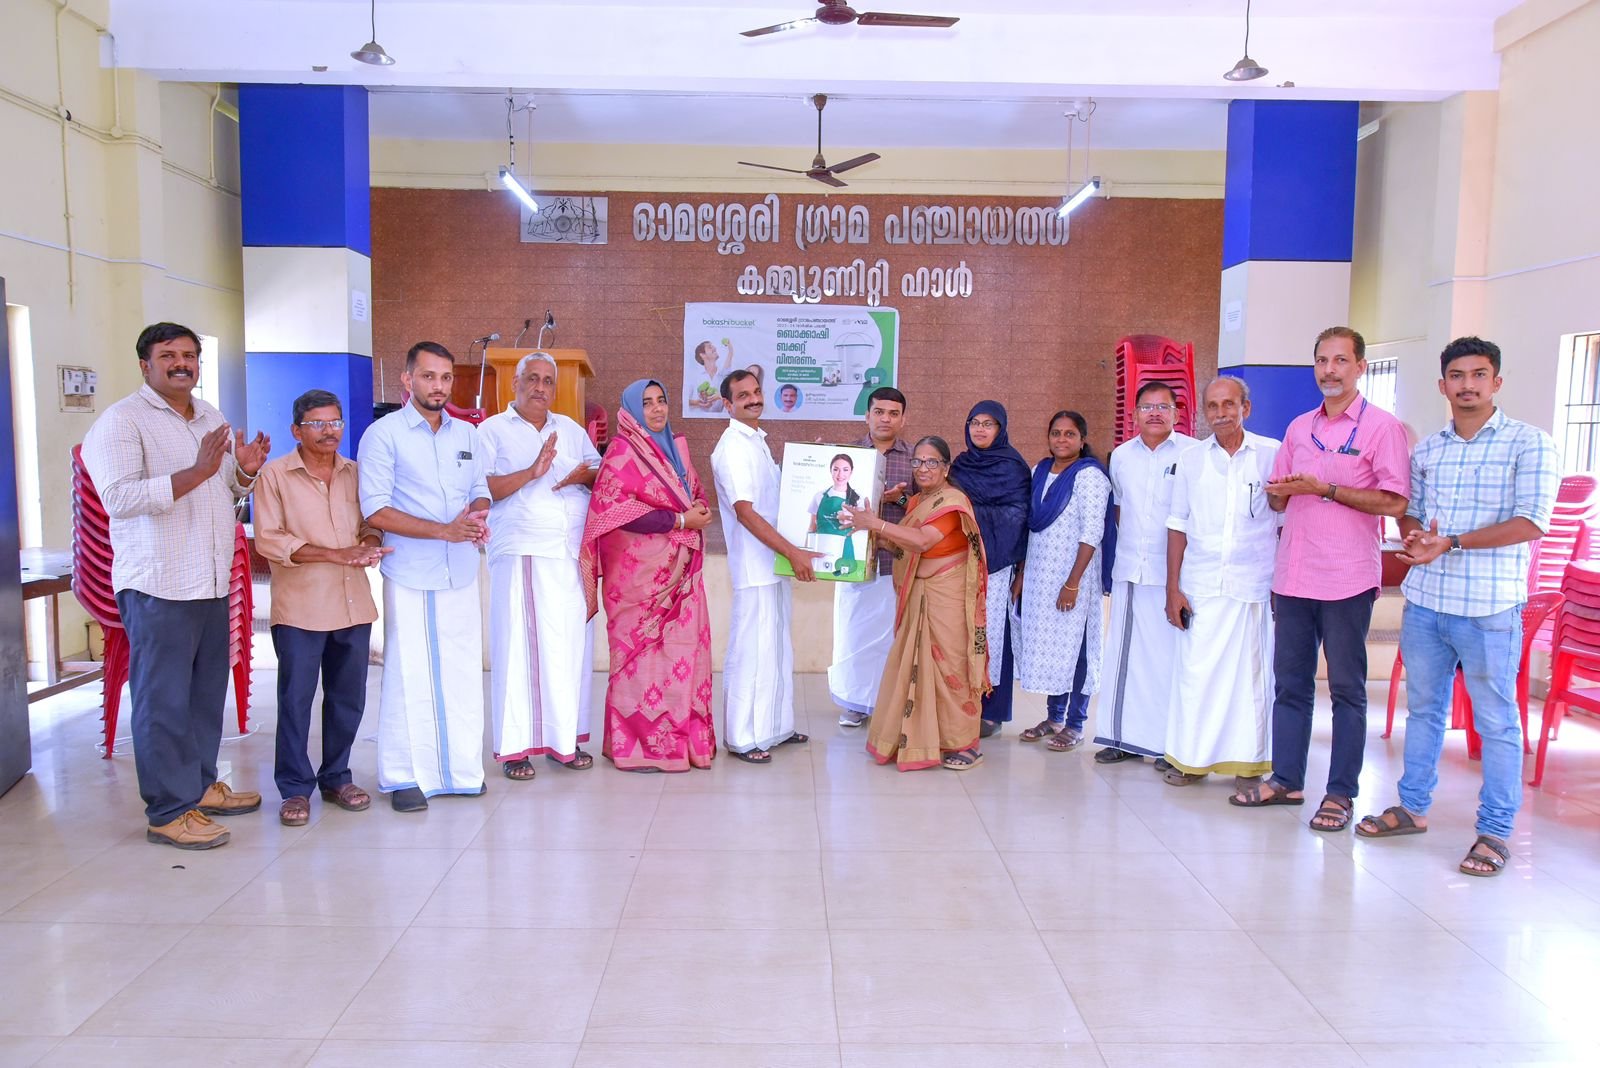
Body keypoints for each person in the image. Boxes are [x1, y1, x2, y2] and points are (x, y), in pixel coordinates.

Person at [1356, 336, 1558, 878]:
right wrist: (1417, 535)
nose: (1467, 385)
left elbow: (1532, 521)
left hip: (1489, 608)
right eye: (1457, 376)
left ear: (1497, 381)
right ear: (1442, 384)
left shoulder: (1529, 443)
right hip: (1427, 605)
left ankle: (1494, 832)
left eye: (1479, 374)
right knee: (1423, 712)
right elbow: (1411, 514)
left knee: (1497, 721)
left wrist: (1455, 542)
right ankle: (1413, 808)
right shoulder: (1429, 450)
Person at [81, 322, 269, 849]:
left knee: (205, 693)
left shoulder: (209, 416)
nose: (182, 363)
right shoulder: (121, 423)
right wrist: (196, 470)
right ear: (146, 364)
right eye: (169, 355)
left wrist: (246, 472)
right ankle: (167, 810)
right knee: (162, 700)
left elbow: (226, 485)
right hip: (159, 583)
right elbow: (118, 498)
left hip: (209, 579)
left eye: (190, 355)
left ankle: (200, 787)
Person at [1235, 327, 1410, 831]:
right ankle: (1287, 779)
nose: (1329, 371)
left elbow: (1396, 502)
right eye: (1321, 361)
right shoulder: (1298, 428)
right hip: (1293, 574)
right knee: (1290, 684)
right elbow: (1278, 499)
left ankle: (1340, 794)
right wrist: (1280, 491)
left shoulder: (1382, 429)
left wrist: (1327, 489)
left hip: (1347, 579)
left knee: (1349, 690)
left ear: (1360, 367)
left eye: (1340, 361)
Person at [358, 341, 491, 812]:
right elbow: (375, 508)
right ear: (407, 379)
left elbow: (479, 490)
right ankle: (403, 777)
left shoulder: (467, 435)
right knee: (407, 672)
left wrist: (477, 516)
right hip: (411, 571)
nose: (439, 386)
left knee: (460, 672)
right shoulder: (383, 434)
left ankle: (460, 770)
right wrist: (443, 530)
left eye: (446, 378)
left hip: (460, 569)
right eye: (429, 376)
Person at [252, 389, 389, 827]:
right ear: (296, 430)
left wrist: (366, 546)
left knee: (347, 699)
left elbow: (370, 524)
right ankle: (294, 788)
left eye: (335, 422)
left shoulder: (355, 473)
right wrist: (337, 554)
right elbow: (269, 541)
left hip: (353, 604)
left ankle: (336, 776)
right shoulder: (274, 476)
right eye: (317, 423)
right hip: (301, 608)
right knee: (295, 700)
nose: (329, 431)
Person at [580, 379, 717, 772]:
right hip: (639, 579)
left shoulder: (677, 448)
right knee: (638, 661)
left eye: (662, 400)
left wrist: (699, 512)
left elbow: (694, 491)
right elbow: (613, 510)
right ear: (630, 411)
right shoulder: (621, 453)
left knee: (680, 656)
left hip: (681, 573)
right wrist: (679, 520)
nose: (657, 409)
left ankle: (681, 743)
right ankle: (635, 745)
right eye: (647, 403)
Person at [479, 351, 603, 780]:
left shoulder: (568, 428)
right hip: (523, 550)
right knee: (519, 651)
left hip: (568, 550)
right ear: (514, 383)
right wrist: (533, 471)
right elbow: (483, 490)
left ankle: (563, 742)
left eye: (547, 381)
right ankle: (515, 748)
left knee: (567, 649)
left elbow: (598, 471)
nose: (539, 388)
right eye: (531, 379)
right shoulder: (491, 431)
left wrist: (577, 476)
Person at [841, 436, 988, 770]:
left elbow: (922, 541)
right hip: (918, 597)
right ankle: (925, 741)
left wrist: (876, 524)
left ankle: (966, 744)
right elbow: (903, 548)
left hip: (947, 600)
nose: (923, 468)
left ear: (946, 467)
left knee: (950, 669)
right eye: (918, 462)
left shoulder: (951, 502)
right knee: (915, 670)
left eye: (932, 462)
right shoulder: (917, 502)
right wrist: (870, 534)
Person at [1165, 377, 1281, 788]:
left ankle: (1248, 764)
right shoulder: (1193, 459)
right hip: (1200, 585)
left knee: (1250, 681)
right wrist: (1172, 589)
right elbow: (1177, 526)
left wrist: (1282, 589)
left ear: (1245, 408)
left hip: (1253, 584)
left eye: (1228, 404)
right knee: (1196, 675)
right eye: (1212, 406)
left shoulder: (1271, 455)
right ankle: (1191, 761)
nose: (1220, 413)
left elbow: (1285, 525)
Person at [710, 369, 815, 763]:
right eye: (743, 395)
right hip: (756, 566)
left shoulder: (757, 442)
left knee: (776, 648)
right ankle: (742, 736)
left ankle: (774, 727)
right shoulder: (733, 448)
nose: (753, 399)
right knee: (751, 651)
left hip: (774, 564)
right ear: (727, 404)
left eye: (756, 392)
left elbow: (779, 495)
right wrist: (791, 551)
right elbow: (746, 513)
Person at [1092, 381, 1198, 765]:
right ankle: (1124, 739)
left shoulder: (1193, 454)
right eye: (1147, 407)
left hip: (1175, 575)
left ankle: (1169, 746)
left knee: (1169, 664)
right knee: (1126, 659)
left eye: (1163, 407)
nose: (1155, 413)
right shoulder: (1121, 456)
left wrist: (1178, 579)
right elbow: (1119, 510)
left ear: (1176, 413)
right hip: (1131, 572)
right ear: (1134, 414)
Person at [1015, 411, 1114, 753]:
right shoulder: (1039, 471)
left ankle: (1076, 723)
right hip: (1041, 575)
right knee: (1056, 649)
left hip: (1076, 576)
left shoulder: (1090, 477)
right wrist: (1023, 575)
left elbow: (1092, 532)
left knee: (1080, 649)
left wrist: (1073, 582)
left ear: (1082, 440)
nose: (1061, 440)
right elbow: (1031, 526)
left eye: (1069, 434)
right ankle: (1054, 717)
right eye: (1056, 433)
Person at [829, 387, 913, 728]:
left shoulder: (914, 459)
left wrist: (901, 500)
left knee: (890, 637)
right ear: (867, 415)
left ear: (903, 419)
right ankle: (854, 702)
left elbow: (926, 508)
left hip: (896, 562)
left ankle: (887, 702)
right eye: (879, 412)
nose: (885, 419)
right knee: (853, 634)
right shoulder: (847, 456)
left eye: (893, 414)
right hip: (854, 562)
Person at [949, 401, 1032, 739]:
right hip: (958, 560)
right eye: (974, 422)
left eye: (988, 424)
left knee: (992, 634)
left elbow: (1021, 516)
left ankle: (991, 710)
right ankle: (960, 702)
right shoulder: (960, 465)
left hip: (997, 564)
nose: (980, 429)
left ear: (1001, 429)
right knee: (960, 633)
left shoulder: (1013, 468)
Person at [808, 453, 868, 578]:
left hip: (844, 548)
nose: (840, 475)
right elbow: (811, 527)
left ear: (851, 472)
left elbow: (867, 526)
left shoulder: (858, 498)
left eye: (845, 470)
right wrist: (806, 551)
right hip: (822, 546)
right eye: (836, 469)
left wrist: (848, 516)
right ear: (830, 471)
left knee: (845, 576)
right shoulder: (819, 496)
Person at [688, 339, 728, 411]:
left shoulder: (724, 376)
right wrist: (697, 403)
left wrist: (720, 397)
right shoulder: (693, 377)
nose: (714, 348)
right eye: (710, 347)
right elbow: (683, 400)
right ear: (702, 355)